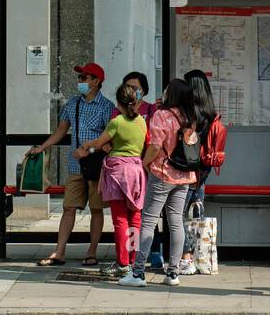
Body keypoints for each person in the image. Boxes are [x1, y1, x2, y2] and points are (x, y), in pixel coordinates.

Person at [29, 63, 115, 267]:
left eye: (84, 78)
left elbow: (109, 140)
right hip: (76, 166)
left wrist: (90, 149)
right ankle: (59, 251)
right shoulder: (74, 103)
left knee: (96, 209)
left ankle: (92, 251)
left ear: (96, 81)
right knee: (69, 207)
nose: (80, 81)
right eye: (80, 78)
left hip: (96, 166)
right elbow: (61, 130)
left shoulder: (107, 107)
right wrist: (43, 147)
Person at [120, 78, 199, 287]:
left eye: (166, 90)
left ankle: (137, 273)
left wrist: (144, 162)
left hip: (162, 173)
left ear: (170, 93)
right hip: (184, 175)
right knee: (175, 221)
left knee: (148, 221)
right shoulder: (190, 117)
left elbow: (154, 146)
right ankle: (173, 273)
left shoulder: (161, 116)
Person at [82, 83, 148, 279]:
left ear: (118, 102)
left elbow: (99, 142)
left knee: (120, 220)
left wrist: (88, 145)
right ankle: (134, 260)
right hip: (136, 172)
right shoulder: (142, 122)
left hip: (118, 171)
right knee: (135, 219)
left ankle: (122, 263)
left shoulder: (117, 122)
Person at [177, 71, 217, 275]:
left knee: (180, 214)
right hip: (204, 168)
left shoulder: (189, 115)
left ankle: (185, 258)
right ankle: (199, 256)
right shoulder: (210, 113)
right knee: (196, 211)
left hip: (188, 168)